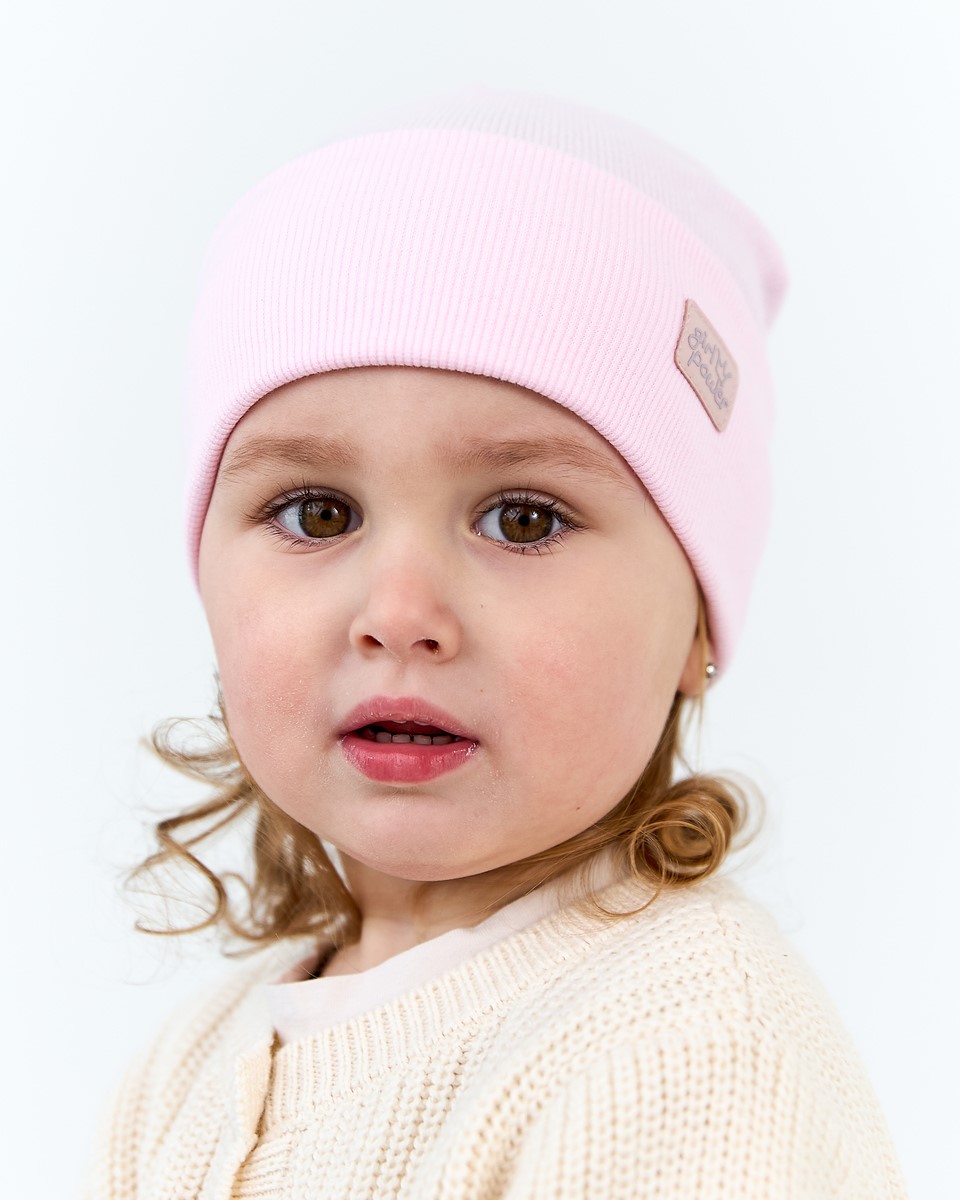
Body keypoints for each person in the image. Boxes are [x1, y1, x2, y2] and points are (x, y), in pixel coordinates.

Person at [83, 85, 908, 1198]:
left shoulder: (690, 1055)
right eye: (317, 513)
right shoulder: (188, 1069)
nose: (399, 613)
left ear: (695, 625)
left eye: (523, 520)